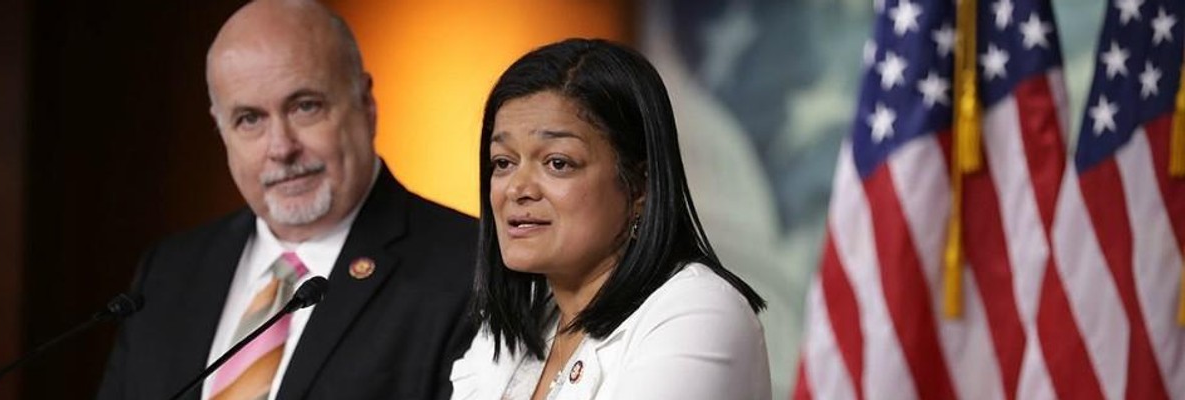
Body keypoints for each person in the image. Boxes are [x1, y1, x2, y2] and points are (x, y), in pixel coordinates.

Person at [97, 1, 476, 398]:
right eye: (250, 119)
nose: (281, 148)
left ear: (366, 104)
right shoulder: (168, 272)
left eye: (305, 107)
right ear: (221, 129)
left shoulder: (472, 270)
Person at [450, 38, 771, 400]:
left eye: (557, 163)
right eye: (503, 162)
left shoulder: (700, 312)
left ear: (640, 187)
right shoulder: (512, 329)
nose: (516, 188)